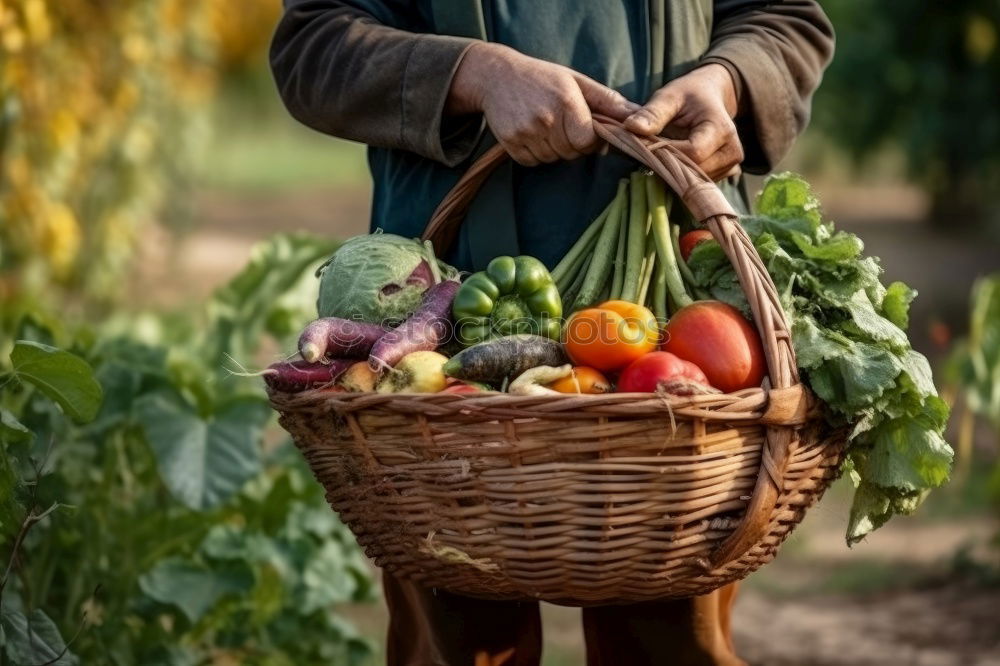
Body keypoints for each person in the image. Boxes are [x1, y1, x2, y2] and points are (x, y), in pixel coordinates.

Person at [270, 2, 833, 664]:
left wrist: (727, 80)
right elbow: (315, 39)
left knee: (674, 642)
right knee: (459, 643)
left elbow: (784, 18)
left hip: (678, 312)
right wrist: (473, 74)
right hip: (440, 311)